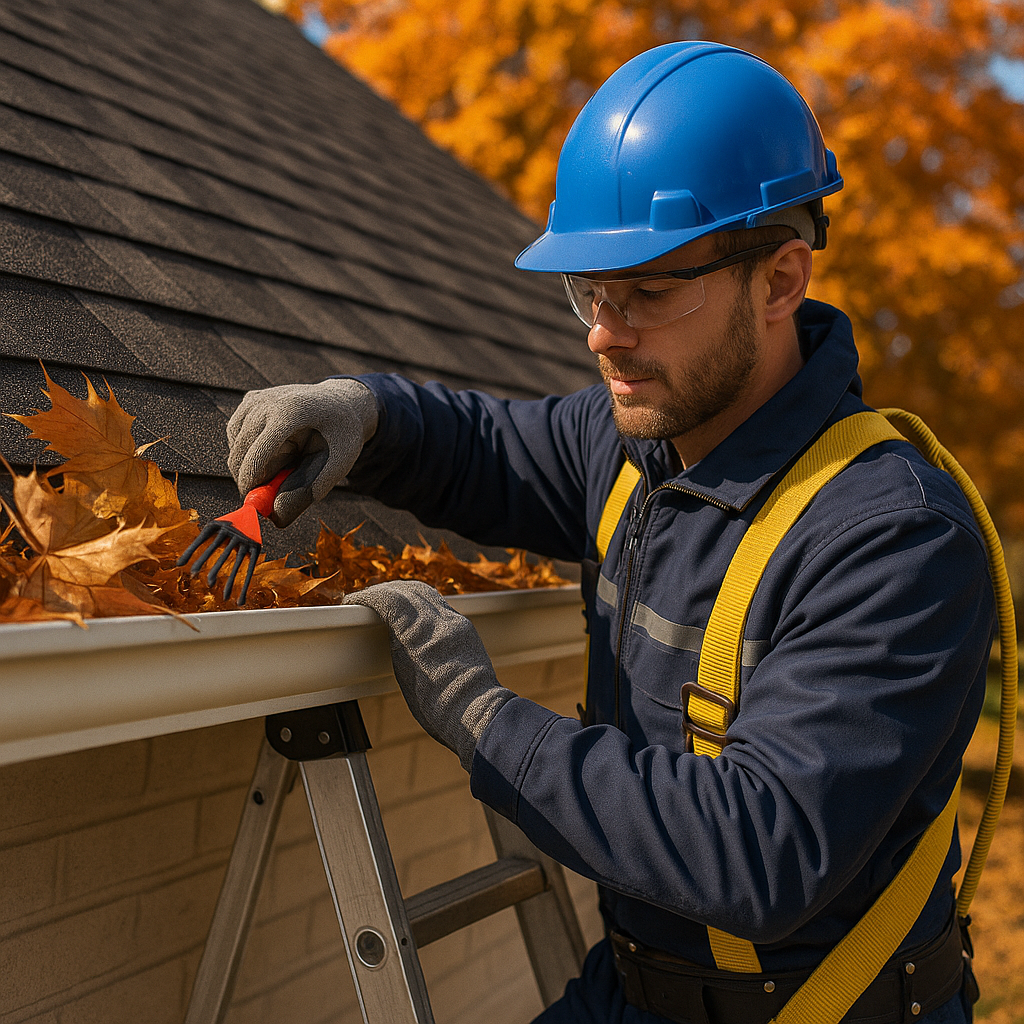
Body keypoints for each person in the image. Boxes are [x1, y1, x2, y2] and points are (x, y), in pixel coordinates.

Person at [226, 42, 993, 1024]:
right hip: (632, 989)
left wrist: (483, 719)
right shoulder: (634, 445)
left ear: (780, 281)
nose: (602, 333)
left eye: (648, 293)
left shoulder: (895, 537)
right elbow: (486, 448)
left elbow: (759, 849)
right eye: (590, 291)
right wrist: (366, 415)